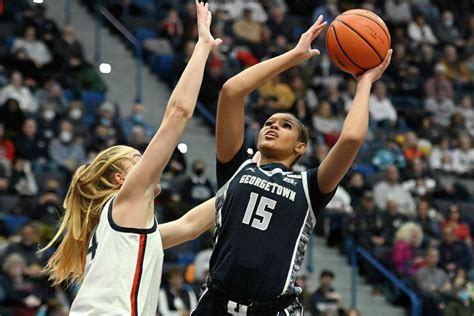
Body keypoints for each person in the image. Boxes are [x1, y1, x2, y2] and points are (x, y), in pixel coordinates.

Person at [191, 15, 392, 315]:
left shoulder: (309, 187)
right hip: (215, 305)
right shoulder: (238, 169)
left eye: (285, 125)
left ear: (301, 146)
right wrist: (294, 56)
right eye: (269, 123)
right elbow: (232, 91)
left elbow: (350, 138)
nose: (272, 126)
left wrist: (365, 83)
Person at [40, 2, 221, 315]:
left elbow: (191, 225)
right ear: (120, 179)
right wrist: (203, 46)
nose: (147, 163)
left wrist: (252, 176)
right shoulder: (125, 202)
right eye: (136, 159)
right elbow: (178, 113)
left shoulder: (132, 228)